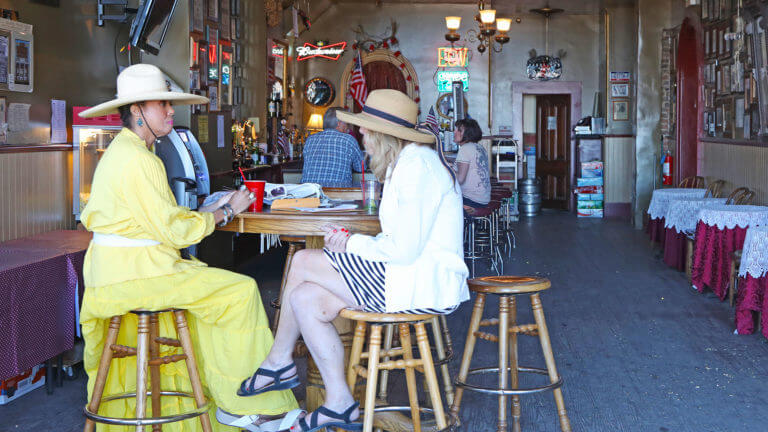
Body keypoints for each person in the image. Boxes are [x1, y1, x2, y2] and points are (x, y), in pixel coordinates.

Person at [78, 64, 299, 431]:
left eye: (170, 104)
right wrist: (226, 210)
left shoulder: (123, 151)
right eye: (161, 104)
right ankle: (243, 403)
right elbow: (175, 233)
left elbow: (155, 222)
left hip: (113, 275)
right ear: (136, 111)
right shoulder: (140, 160)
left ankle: (229, 398)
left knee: (209, 297)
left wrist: (203, 211)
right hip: (139, 275)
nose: (170, 112)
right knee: (241, 292)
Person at [237, 90, 470, 431]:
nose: (360, 133)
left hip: (418, 281)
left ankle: (278, 361)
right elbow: (399, 243)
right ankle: (339, 402)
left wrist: (349, 243)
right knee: (303, 299)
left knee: (302, 260)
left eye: (364, 128)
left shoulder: (417, 166)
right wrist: (351, 243)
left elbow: (403, 250)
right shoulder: (405, 164)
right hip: (402, 275)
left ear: (381, 133)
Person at [301, 107, 365, 187]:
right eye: (346, 123)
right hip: (338, 194)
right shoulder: (348, 140)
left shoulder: (310, 139)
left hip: (310, 194)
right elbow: (361, 167)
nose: (348, 127)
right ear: (339, 123)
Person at [453, 118, 491, 213]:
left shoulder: (465, 149)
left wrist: (446, 167)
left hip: (472, 200)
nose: (454, 131)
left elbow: (460, 179)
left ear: (467, 133)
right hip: (484, 198)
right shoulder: (480, 147)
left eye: (459, 130)